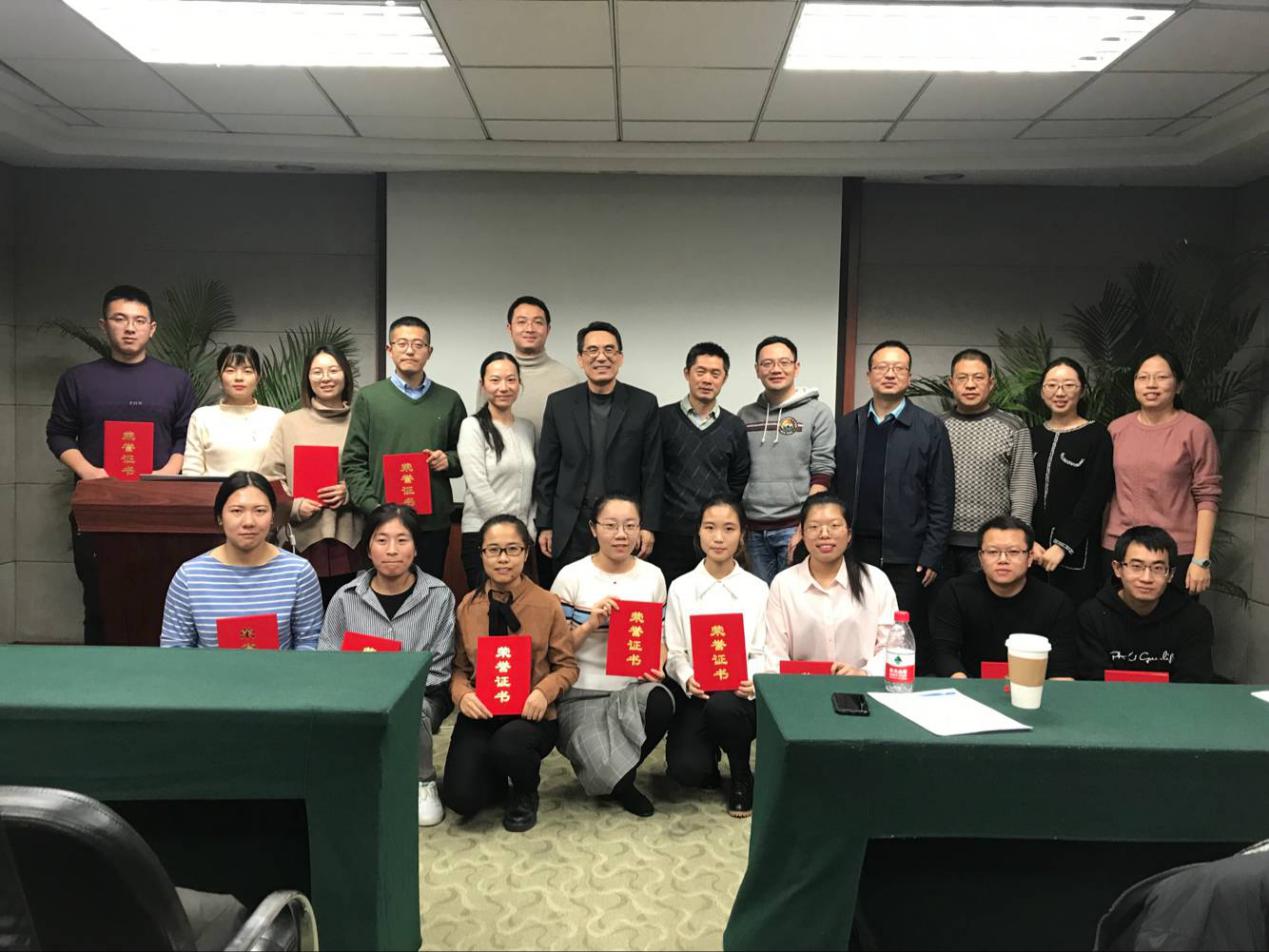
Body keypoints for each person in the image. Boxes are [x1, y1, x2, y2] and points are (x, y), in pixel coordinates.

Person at [46, 284, 195, 645]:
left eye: (139, 321)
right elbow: (59, 434)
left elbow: (185, 435)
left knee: (160, 599)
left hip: (159, 507)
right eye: (120, 319)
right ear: (104, 325)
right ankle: (98, 675)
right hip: (98, 507)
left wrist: (168, 473)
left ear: (152, 328)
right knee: (99, 601)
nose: (130, 328)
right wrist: (90, 473)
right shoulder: (78, 379)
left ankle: (158, 674)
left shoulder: (176, 381)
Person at [319, 504, 456, 826]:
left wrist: (396, 693)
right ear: (368, 548)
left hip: (423, 693)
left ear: (416, 547)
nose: (392, 550)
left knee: (415, 711)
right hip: (357, 692)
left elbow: (439, 667)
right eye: (382, 540)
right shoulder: (345, 597)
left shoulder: (439, 595)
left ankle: (423, 781)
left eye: (402, 540)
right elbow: (328, 657)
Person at [445, 515, 579, 833]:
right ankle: (495, 772)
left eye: (512, 549)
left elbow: (567, 667)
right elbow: (459, 669)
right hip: (483, 711)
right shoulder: (467, 606)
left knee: (510, 744)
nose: (502, 558)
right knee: (461, 799)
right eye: (493, 550)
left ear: (525, 553)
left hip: (531, 715)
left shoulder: (547, 604)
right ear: (482, 554)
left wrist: (543, 692)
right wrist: (463, 695)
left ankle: (524, 791)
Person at [831, 340, 954, 673]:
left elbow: (942, 495)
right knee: (855, 630)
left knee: (902, 637)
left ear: (909, 377)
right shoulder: (848, 425)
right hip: (854, 550)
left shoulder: (929, 427)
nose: (889, 374)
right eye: (882, 367)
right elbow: (835, 486)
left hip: (907, 556)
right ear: (869, 375)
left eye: (898, 368)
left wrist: (932, 552)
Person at [550, 495, 671, 817]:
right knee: (603, 774)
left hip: (631, 686)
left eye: (630, 526)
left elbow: (661, 638)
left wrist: (657, 665)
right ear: (593, 528)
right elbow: (555, 651)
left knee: (662, 700)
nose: (621, 535)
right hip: (582, 689)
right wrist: (590, 624)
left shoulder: (653, 576)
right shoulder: (571, 576)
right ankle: (621, 780)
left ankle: (622, 776)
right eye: (611, 526)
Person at [663, 495, 767, 818]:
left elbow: (763, 650)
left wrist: (751, 678)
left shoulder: (758, 589)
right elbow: (675, 652)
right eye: (710, 528)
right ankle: (708, 758)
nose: (718, 538)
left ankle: (740, 773)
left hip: (740, 696)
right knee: (686, 771)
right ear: (699, 532)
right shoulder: (680, 587)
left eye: (728, 528)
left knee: (725, 706)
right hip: (698, 693)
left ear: (742, 535)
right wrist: (686, 678)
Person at [342, 316, 466, 580]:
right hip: (382, 521)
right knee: (382, 593)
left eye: (418, 345)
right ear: (390, 349)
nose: (410, 351)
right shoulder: (370, 399)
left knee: (429, 592)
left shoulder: (449, 400)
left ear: (429, 352)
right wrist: (373, 508)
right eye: (402, 344)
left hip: (432, 522)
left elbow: (465, 455)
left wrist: (449, 460)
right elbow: (353, 462)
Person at [535, 321, 663, 569]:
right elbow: (547, 470)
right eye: (592, 350)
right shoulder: (559, 404)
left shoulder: (644, 404)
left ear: (620, 357)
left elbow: (653, 471)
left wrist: (648, 525)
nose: (601, 357)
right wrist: (545, 524)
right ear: (580, 359)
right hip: (571, 524)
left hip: (622, 526)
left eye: (609, 350)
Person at [1103, 351, 1221, 596]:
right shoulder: (1116, 429)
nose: (1151, 384)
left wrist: (1201, 559)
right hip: (1120, 547)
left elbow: (1207, 496)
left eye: (1161, 377)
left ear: (1179, 385)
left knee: (1173, 620)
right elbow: (1104, 491)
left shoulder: (1196, 431)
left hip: (1175, 552)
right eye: (1143, 377)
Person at [160, 471, 322, 649]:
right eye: (237, 511)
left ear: (272, 517)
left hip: (280, 668)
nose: (249, 522)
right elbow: (175, 648)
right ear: (220, 517)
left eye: (260, 511)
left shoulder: (298, 572)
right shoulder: (190, 576)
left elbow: (309, 642)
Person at [259, 344, 362, 606]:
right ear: (307, 377)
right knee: (301, 616)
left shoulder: (362, 420)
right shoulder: (289, 423)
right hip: (301, 537)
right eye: (317, 372)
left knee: (346, 616)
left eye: (333, 370)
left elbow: (374, 472)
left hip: (350, 538)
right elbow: (270, 477)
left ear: (345, 374)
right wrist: (293, 506)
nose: (325, 378)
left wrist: (349, 491)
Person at [738, 336, 835, 584]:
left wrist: (805, 526)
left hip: (794, 528)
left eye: (784, 362)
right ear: (757, 370)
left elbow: (822, 472)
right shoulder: (745, 415)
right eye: (767, 363)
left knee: (794, 600)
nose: (776, 369)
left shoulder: (818, 412)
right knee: (759, 600)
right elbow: (737, 473)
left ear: (796, 367)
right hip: (752, 530)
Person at [930, 516, 1078, 679]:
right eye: (992, 552)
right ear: (980, 557)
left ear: (1030, 558)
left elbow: (1062, 672)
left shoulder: (1056, 603)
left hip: (1035, 689)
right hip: (970, 686)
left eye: (1013, 552)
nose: (1002, 560)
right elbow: (944, 653)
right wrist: (964, 685)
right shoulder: (956, 592)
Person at [764, 494, 897, 674]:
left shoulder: (875, 580)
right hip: (801, 686)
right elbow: (775, 652)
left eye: (834, 526)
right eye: (814, 527)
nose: (824, 534)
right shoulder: (784, 583)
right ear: (802, 534)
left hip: (861, 684)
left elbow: (892, 645)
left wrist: (865, 672)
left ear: (849, 534)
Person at [654, 343, 750, 586]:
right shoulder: (661, 419)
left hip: (715, 537)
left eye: (715, 373)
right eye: (701, 371)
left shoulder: (734, 426)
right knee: (670, 598)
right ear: (687, 374)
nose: (707, 379)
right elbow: (650, 473)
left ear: (724, 378)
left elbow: (738, 480)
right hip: (669, 534)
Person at [941, 349, 1036, 578]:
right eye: (962, 378)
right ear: (951, 383)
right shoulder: (936, 426)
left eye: (978, 378)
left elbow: (1023, 487)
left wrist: (1016, 539)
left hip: (993, 544)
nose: (970, 385)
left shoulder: (1013, 426)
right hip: (941, 542)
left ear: (991, 383)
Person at [1078, 525, 1215, 682]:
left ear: (1170, 574)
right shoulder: (1092, 615)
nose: (1146, 578)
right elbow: (1093, 681)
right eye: (1136, 567)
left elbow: (1193, 682)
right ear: (1117, 569)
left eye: (1158, 568)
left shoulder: (1194, 618)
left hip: (1174, 698)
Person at [1029, 357, 1114, 605]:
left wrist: (1063, 545)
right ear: (1042, 391)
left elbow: (1095, 496)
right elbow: (1019, 491)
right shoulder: (1030, 435)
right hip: (1032, 549)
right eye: (1052, 385)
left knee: (1071, 613)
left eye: (1069, 385)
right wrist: (1026, 539)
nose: (1060, 392)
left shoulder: (1097, 435)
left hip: (1077, 549)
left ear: (1082, 390)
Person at [457, 352, 536, 591]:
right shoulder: (472, 427)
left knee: (520, 607)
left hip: (520, 541)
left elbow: (533, 486)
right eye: (495, 380)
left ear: (519, 383)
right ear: (483, 385)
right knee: (486, 605)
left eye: (511, 380)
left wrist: (528, 530)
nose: (504, 387)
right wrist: (510, 532)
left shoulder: (527, 428)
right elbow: (478, 486)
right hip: (482, 534)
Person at [473, 295, 580, 441]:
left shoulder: (568, 380)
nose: (529, 329)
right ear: (509, 328)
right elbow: (480, 432)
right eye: (521, 322)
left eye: (538, 322)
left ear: (548, 329)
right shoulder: (493, 377)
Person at [182, 345, 283, 476]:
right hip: (213, 490)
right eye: (230, 370)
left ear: (258, 378)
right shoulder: (202, 417)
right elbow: (192, 471)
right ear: (219, 377)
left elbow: (280, 472)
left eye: (247, 371)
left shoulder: (275, 417)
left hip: (261, 489)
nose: (239, 377)